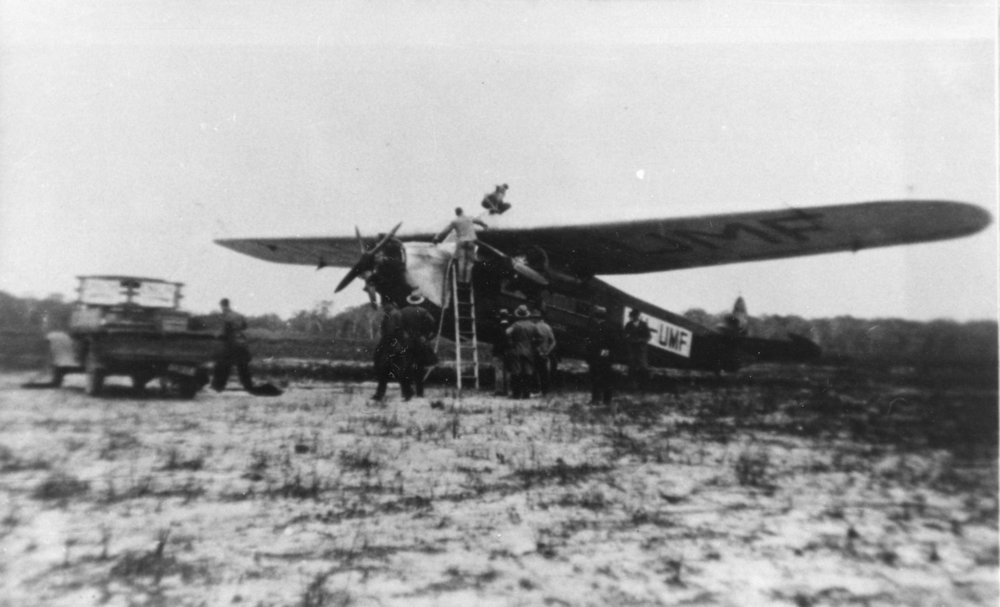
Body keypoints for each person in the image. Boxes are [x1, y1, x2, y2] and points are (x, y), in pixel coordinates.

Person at [433, 207, 488, 283]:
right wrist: (484, 225)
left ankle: (461, 281)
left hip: (461, 242)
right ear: (462, 212)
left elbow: (446, 230)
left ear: (456, 213)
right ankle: (467, 281)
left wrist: (437, 238)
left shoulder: (455, 221)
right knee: (469, 262)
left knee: (461, 261)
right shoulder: (469, 217)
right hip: (471, 241)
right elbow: (479, 221)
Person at [212, 298, 254, 392]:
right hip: (241, 344)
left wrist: (217, 336)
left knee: (222, 366)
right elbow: (244, 326)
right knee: (243, 368)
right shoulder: (238, 315)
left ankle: (218, 387)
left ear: (222, 305)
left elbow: (223, 332)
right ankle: (249, 386)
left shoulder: (224, 316)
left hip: (230, 345)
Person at [372, 301, 411, 401]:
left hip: (392, 346)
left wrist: (386, 345)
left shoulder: (393, 315)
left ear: (390, 305)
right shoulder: (395, 314)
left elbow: (390, 332)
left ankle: (381, 394)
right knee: (393, 370)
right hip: (395, 345)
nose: (383, 307)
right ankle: (406, 392)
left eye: (385, 305)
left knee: (387, 369)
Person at [400, 293, 437, 398]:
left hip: (406, 342)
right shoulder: (423, 312)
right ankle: (420, 393)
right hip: (419, 343)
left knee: (405, 366)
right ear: (419, 301)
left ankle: (405, 392)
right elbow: (433, 324)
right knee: (419, 367)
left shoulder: (402, 312)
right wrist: (427, 337)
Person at [505, 305, 541, 399]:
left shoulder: (515, 325)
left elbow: (507, 333)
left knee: (516, 372)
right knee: (528, 372)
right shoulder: (532, 325)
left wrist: (511, 342)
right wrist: (534, 345)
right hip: (529, 351)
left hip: (516, 350)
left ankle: (516, 394)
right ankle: (526, 394)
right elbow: (539, 338)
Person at [585, 306, 618, 406]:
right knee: (595, 378)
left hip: (604, 358)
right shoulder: (595, 326)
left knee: (605, 378)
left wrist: (604, 353)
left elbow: (612, 343)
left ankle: (606, 400)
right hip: (595, 357)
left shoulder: (607, 327)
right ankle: (596, 399)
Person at [623, 308, 652, 391]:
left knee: (643, 367)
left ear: (638, 316)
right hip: (632, 348)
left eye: (637, 315)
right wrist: (629, 339)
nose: (635, 317)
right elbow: (625, 334)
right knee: (632, 367)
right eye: (634, 316)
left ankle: (644, 386)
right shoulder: (629, 324)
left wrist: (641, 340)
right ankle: (632, 386)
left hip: (641, 349)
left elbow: (648, 336)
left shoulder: (644, 325)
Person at [533, 310, 557, 396]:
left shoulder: (534, 327)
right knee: (545, 372)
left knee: (535, 372)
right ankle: (545, 391)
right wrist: (547, 352)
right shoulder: (547, 327)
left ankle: (536, 390)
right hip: (545, 353)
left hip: (536, 352)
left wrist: (538, 350)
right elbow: (553, 341)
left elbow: (533, 341)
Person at [491, 309, 511, 396]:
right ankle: (507, 390)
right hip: (508, 351)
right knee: (507, 371)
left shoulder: (495, 327)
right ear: (507, 316)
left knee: (498, 371)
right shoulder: (511, 327)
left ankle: (499, 390)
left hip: (498, 351)